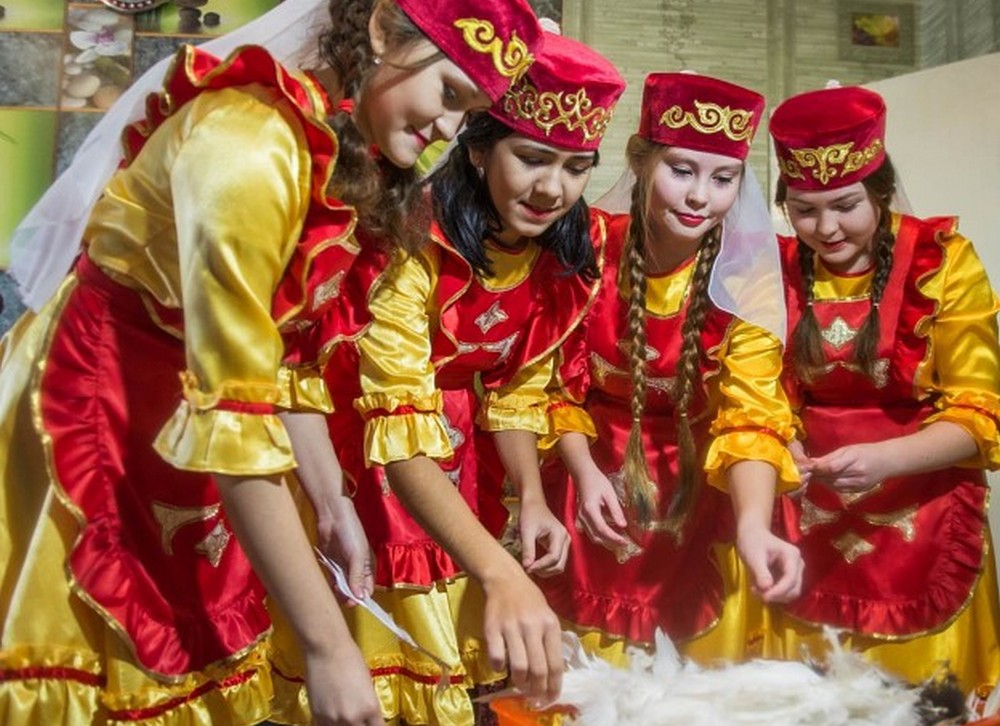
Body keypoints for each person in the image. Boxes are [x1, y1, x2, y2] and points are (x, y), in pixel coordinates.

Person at [0, 0, 545, 723]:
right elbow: (236, 404)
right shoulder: (249, 143)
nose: (448, 128)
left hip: (198, 423)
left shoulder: (335, 153)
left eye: (467, 112)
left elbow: (282, 363)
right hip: (104, 403)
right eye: (448, 93)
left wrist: (330, 501)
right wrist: (328, 646)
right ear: (380, 30)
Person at [317, 30, 626, 724]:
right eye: (532, 158)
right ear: (479, 149)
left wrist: (533, 498)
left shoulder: (567, 254)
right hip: (370, 448)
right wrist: (500, 570)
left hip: (460, 460)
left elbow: (516, 393)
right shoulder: (410, 239)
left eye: (577, 167)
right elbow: (395, 427)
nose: (552, 189)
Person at [535, 72, 803, 668]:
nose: (700, 196)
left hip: (700, 502)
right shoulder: (588, 246)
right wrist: (583, 473)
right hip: (587, 491)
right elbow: (551, 384)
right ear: (640, 162)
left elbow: (752, 415)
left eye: (723, 179)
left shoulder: (748, 277)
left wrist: (754, 526)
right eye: (682, 171)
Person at [767, 84, 1000, 695]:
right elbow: (762, 393)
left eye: (845, 205)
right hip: (805, 513)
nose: (826, 228)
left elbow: (980, 411)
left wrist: (885, 459)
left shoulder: (941, 261)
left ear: (880, 191)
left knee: (923, 702)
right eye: (804, 210)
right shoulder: (776, 267)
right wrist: (782, 443)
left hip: (922, 508)